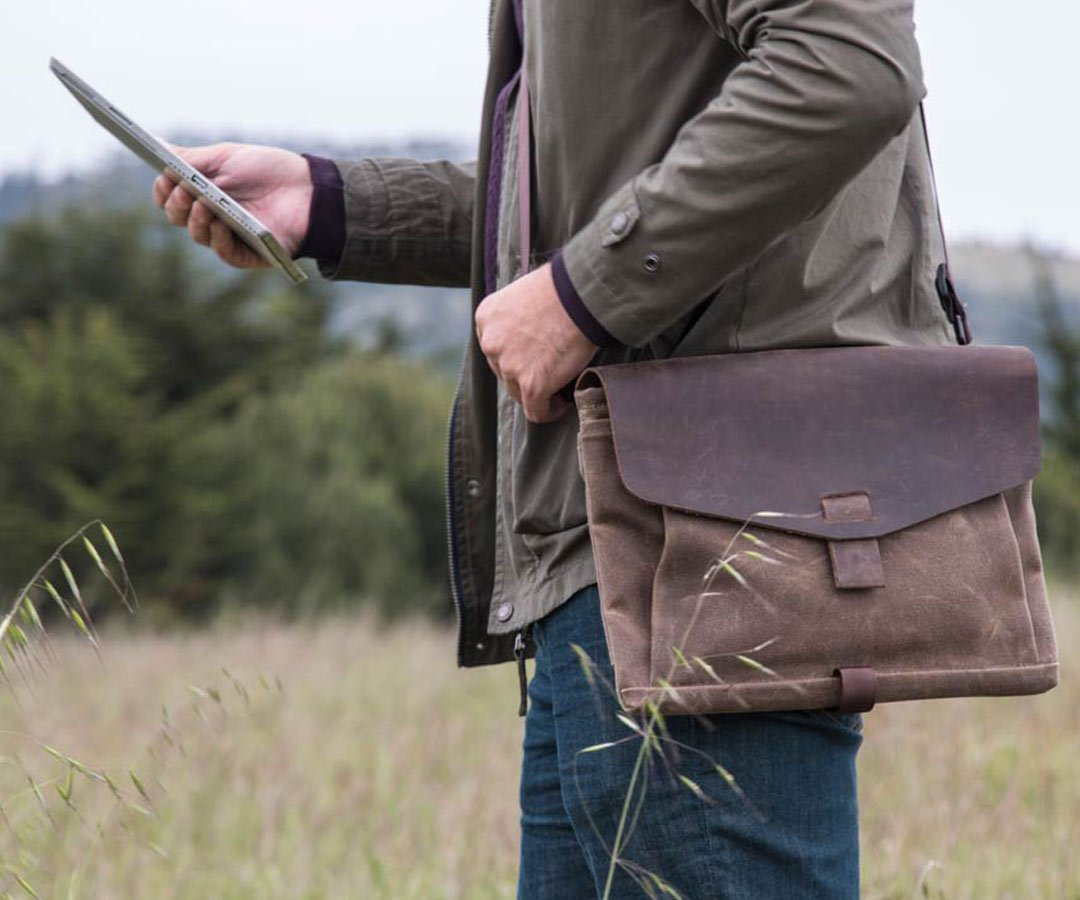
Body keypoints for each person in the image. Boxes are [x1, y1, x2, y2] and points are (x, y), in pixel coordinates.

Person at [155, 1, 960, 896]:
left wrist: (586, 298)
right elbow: (587, 200)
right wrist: (337, 205)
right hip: (612, 554)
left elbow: (848, 66)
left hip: (699, 546)